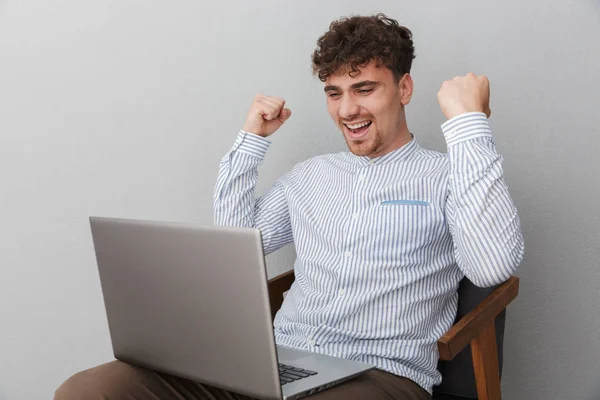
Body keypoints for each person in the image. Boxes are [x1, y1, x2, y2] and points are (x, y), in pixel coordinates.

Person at [55, 13, 524, 400]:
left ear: (403, 89)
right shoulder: (310, 175)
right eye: (334, 92)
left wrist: (467, 123)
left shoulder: (448, 175)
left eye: (364, 88)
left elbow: (491, 266)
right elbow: (235, 245)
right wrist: (251, 141)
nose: (347, 110)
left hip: (378, 376)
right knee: (91, 390)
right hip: (277, 364)